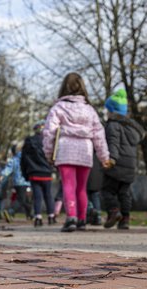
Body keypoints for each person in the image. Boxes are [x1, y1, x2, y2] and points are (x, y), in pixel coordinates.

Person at [42, 72, 112, 232]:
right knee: (82, 187)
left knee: (68, 185)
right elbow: (99, 134)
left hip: (65, 149)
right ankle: (82, 219)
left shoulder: (58, 107)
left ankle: (71, 217)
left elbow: (49, 132)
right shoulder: (89, 110)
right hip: (85, 151)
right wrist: (104, 157)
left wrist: (48, 153)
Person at [102, 89, 145, 230]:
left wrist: (112, 158)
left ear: (112, 111)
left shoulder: (113, 125)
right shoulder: (131, 127)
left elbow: (113, 143)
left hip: (117, 165)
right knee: (125, 193)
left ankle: (114, 211)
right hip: (130, 166)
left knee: (107, 190)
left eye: (107, 110)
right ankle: (125, 219)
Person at [21, 120, 55, 227]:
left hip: (34, 173)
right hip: (46, 172)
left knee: (37, 196)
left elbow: (23, 160)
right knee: (48, 195)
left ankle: (38, 217)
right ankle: (51, 216)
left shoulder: (28, 142)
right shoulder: (49, 141)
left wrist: (25, 174)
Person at [1, 143, 32, 222]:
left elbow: (8, 168)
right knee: (21, 200)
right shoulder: (27, 158)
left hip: (17, 182)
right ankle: (10, 211)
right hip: (24, 182)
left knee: (25, 200)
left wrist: (2, 175)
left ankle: (30, 215)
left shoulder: (14, 159)